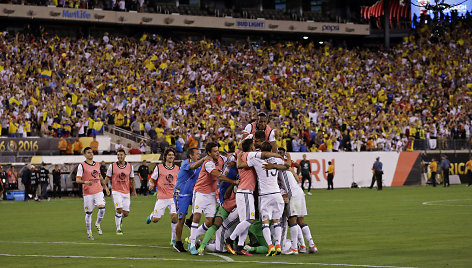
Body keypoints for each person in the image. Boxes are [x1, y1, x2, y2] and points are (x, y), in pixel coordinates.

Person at [226, 138, 281, 255]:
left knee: (244, 222)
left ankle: (240, 247)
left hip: (245, 192)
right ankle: (230, 239)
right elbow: (263, 155)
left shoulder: (245, 154)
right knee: (249, 219)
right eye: (253, 145)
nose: (255, 146)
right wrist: (278, 155)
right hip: (245, 192)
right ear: (251, 147)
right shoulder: (251, 155)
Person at [188, 142, 236, 255]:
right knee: (197, 216)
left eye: (218, 150)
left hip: (211, 194)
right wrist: (233, 181)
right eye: (215, 151)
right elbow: (218, 175)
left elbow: (229, 158)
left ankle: (191, 238)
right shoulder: (208, 163)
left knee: (209, 222)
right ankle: (192, 243)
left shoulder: (221, 159)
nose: (217, 153)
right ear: (209, 153)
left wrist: (232, 160)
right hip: (200, 192)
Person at [172, 148, 209, 252]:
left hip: (193, 193)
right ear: (190, 156)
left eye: (200, 154)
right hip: (181, 193)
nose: (199, 155)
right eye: (197, 154)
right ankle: (178, 242)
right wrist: (203, 160)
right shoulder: (186, 163)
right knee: (181, 218)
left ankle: (189, 221)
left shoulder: (200, 164)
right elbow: (193, 166)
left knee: (200, 209)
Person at [76, 147, 110, 240]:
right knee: (89, 213)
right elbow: (77, 180)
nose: (91, 154)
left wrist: (105, 187)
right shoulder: (81, 165)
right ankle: (89, 232)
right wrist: (86, 182)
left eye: (91, 152)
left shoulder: (97, 164)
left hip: (98, 190)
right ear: (84, 155)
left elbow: (100, 176)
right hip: (87, 193)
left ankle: (97, 223)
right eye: (88, 152)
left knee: (102, 208)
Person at [146, 148, 180, 243]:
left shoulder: (177, 168)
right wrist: (151, 184)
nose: (171, 156)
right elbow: (151, 179)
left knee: (174, 217)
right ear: (165, 156)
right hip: (162, 197)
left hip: (173, 197)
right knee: (156, 220)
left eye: (172, 155)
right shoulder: (159, 167)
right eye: (169, 155)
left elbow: (180, 181)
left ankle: (173, 239)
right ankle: (152, 215)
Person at [106, 149, 137, 235]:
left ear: (125, 156)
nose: (119, 156)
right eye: (118, 155)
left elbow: (132, 180)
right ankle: (118, 228)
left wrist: (134, 191)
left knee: (126, 213)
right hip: (116, 191)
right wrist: (106, 188)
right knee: (119, 209)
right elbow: (107, 178)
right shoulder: (112, 166)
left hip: (126, 192)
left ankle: (119, 218)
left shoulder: (130, 166)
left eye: (121, 155)